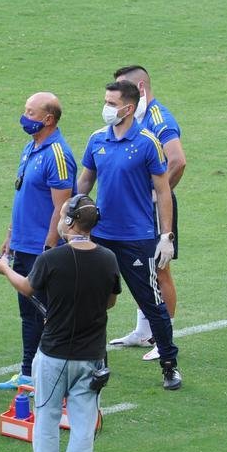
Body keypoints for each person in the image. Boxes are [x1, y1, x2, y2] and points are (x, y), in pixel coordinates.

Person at [0, 194, 120, 452]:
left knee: (47, 418)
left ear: (72, 222)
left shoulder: (51, 260)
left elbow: (27, 287)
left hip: (54, 355)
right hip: (91, 357)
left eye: (63, 216)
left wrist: (5, 270)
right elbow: (110, 302)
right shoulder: (108, 259)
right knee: (83, 423)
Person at [76, 80, 182, 390]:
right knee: (94, 303)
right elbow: (84, 183)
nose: (106, 107)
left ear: (129, 107)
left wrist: (166, 236)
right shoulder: (97, 140)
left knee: (152, 303)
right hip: (101, 236)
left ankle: (169, 364)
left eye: (112, 102)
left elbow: (163, 191)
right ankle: (99, 364)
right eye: (106, 100)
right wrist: (71, 215)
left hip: (136, 238)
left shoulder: (148, 142)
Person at [0, 92, 76, 391]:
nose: (24, 117)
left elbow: (62, 207)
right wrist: (10, 235)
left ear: (48, 119)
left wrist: (50, 248)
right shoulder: (31, 148)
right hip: (24, 245)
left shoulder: (57, 154)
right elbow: (22, 196)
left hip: (42, 248)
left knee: (45, 313)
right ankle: (29, 372)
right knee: (28, 312)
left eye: (30, 112)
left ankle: (49, 374)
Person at [110, 65, 188, 360]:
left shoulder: (158, 118)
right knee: (141, 266)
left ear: (139, 88)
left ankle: (162, 335)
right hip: (135, 207)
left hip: (152, 207)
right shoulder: (136, 117)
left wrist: (157, 195)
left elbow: (178, 160)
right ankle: (144, 330)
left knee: (160, 267)